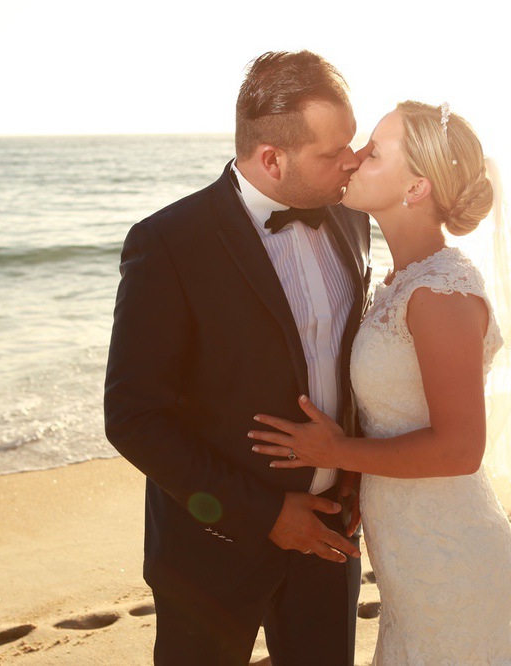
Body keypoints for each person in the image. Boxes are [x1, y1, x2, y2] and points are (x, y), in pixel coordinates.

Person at [250, 101, 511, 663]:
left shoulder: (439, 296)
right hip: (409, 553)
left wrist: (338, 452)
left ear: (417, 187)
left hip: (449, 553)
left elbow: (459, 448)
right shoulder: (403, 279)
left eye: (374, 152)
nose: (353, 159)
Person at [104, 51, 372, 665]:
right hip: (211, 550)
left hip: (330, 541)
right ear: (271, 158)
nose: (352, 161)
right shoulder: (167, 243)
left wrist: (356, 470)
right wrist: (267, 514)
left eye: (351, 145)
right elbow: (133, 417)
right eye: (333, 152)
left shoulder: (352, 220)